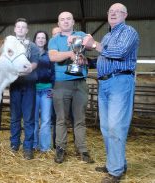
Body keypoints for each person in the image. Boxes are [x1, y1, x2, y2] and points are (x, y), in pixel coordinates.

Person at [83, 3, 139, 183]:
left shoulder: (129, 32)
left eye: (117, 12)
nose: (113, 14)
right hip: (105, 83)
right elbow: (104, 57)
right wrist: (89, 62)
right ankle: (116, 163)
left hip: (120, 81)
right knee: (106, 127)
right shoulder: (107, 36)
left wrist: (94, 44)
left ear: (125, 15)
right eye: (110, 12)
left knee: (116, 126)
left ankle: (115, 172)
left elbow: (120, 52)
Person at [48, 11, 94, 164]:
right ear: (58, 23)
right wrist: (69, 54)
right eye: (62, 19)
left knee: (80, 119)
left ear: (73, 22)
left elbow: (91, 45)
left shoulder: (80, 34)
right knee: (61, 119)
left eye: (68, 19)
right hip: (61, 84)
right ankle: (60, 148)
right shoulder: (54, 40)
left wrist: (85, 40)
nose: (66, 21)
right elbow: (53, 56)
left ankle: (82, 149)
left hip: (80, 83)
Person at [10, 18, 39, 160]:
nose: (21, 29)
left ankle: (28, 148)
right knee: (15, 117)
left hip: (29, 85)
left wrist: (30, 68)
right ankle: (14, 145)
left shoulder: (32, 46)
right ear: (15, 29)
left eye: (23, 27)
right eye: (18, 27)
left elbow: (35, 62)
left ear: (27, 31)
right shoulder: (10, 46)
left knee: (28, 118)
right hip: (15, 85)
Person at [32, 30, 54, 152]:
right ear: (35, 39)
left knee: (46, 119)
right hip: (33, 90)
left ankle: (45, 147)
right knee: (33, 119)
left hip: (47, 90)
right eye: (38, 37)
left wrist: (54, 87)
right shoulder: (30, 54)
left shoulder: (50, 55)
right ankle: (34, 145)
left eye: (43, 38)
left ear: (46, 41)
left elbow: (54, 72)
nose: (40, 40)